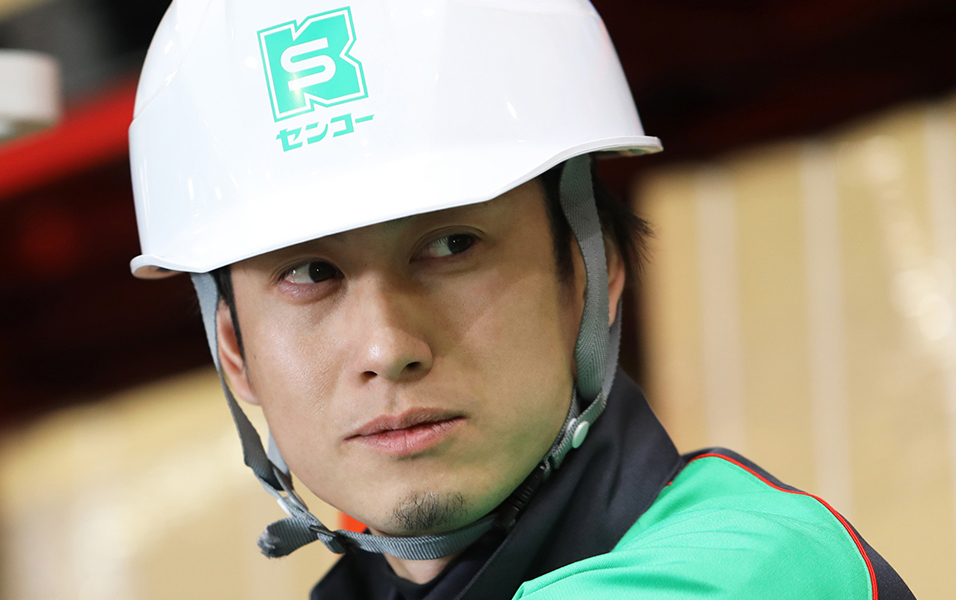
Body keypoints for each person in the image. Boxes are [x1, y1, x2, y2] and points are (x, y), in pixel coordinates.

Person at [125, 0, 916, 598]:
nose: (386, 348)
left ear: (595, 274)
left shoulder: (750, 570)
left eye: (451, 245)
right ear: (236, 352)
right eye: (311, 273)